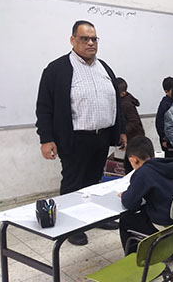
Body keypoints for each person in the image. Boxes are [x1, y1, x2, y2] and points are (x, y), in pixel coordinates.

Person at [36, 20, 126, 246]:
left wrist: (121, 131)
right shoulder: (57, 69)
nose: (90, 43)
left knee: (95, 182)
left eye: (94, 39)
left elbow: (116, 102)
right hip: (74, 138)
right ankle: (71, 227)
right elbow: (44, 107)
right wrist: (46, 139)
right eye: (85, 38)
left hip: (102, 136)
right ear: (73, 40)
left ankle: (94, 218)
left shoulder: (104, 68)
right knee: (73, 183)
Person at [119, 136, 173, 254]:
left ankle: (135, 257)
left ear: (133, 160)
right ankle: (170, 251)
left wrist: (125, 194)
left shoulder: (143, 173)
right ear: (152, 154)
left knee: (126, 219)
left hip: (165, 225)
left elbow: (131, 203)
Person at [116, 77, 145, 173]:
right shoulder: (122, 102)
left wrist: (122, 132)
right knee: (128, 165)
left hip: (135, 139)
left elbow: (134, 122)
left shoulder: (126, 104)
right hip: (131, 139)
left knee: (131, 167)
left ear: (122, 93)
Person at [155, 76, 173, 159]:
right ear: (166, 91)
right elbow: (159, 123)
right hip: (168, 140)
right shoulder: (165, 104)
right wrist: (164, 139)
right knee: (171, 160)